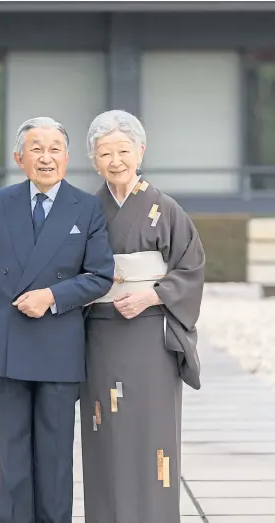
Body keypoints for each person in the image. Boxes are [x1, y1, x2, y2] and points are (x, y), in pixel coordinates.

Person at [0, 116, 114, 523]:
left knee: (54, 457)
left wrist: (52, 296)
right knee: (11, 457)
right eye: (36, 148)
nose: (45, 157)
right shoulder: (0, 201)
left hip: (58, 344)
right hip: (6, 343)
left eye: (54, 149)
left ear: (67, 158)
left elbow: (101, 275)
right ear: (20, 157)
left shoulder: (86, 207)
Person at [80, 110, 205, 523]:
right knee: (104, 432)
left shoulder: (164, 209)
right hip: (100, 335)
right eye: (105, 153)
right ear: (93, 160)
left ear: (141, 151)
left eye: (123, 150)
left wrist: (152, 295)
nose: (115, 161)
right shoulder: (84, 211)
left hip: (150, 337)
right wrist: (93, 280)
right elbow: (64, 270)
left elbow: (191, 269)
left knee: (153, 437)